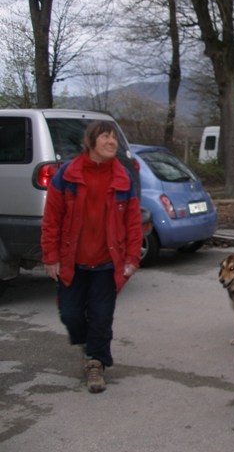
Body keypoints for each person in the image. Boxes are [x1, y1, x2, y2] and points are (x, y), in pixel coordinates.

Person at [41, 121, 142, 394]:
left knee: (101, 316)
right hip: (72, 261)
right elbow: (52, 219)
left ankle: (95, 363)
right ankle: (89, 345)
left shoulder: (123, 178)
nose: (112, 143)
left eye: (114, 139)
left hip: (108, 263)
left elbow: (133, 222)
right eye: (106, 137)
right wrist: (51, 256)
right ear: (91, 142)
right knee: (71, 315)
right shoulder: (67, 175)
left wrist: (132, 257)